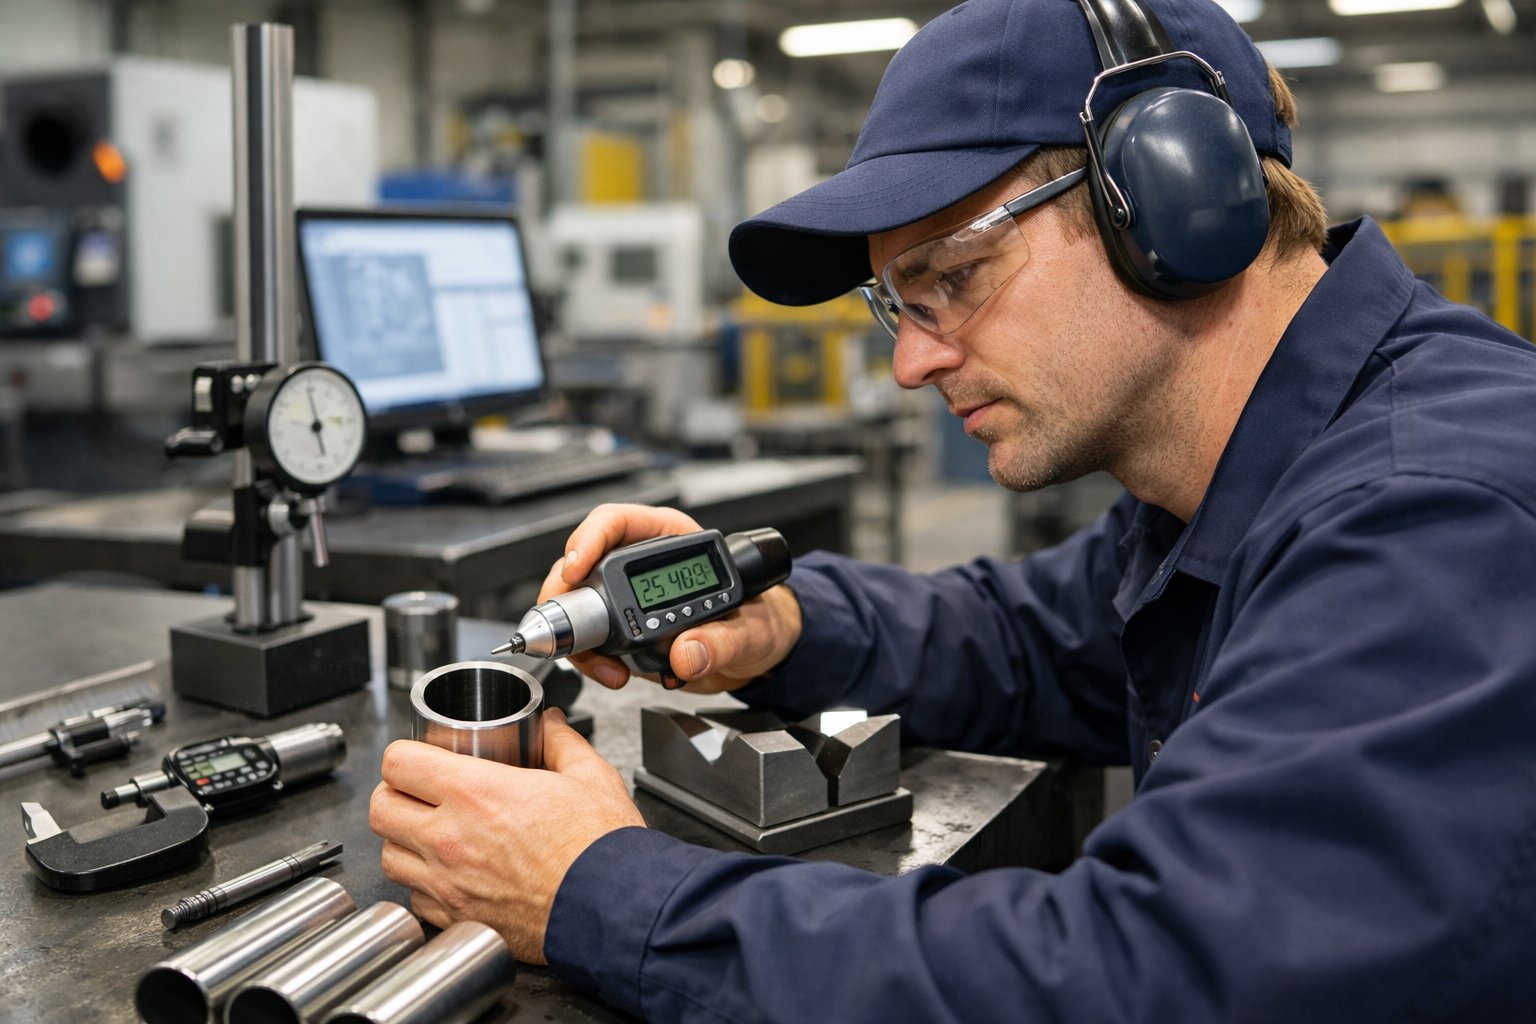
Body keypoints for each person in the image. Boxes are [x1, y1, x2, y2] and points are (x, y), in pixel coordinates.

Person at [369, 0, 1536, 1019]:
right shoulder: (1240, 480)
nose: (910, 364)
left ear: (1171, 199)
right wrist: (789, 624)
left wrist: (596, 889)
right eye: (900, 302)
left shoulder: (1436, 519)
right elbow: (1036, 638)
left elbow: (1146, 980)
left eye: (954, 279)